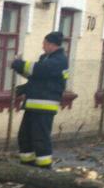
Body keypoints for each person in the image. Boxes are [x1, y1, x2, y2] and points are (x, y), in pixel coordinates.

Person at [10, 31, 69, 169]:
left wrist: (19, 63)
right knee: (24, 136)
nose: (42, 47)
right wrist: (24, 87)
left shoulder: (59, 60)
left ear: (50, 44)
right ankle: (27, 166)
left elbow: (39, 70)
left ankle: (44, 169)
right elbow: (36, 77)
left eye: (44, 44)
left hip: (45, 107)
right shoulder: (46, 58)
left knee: (40, 139)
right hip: (33, 105)